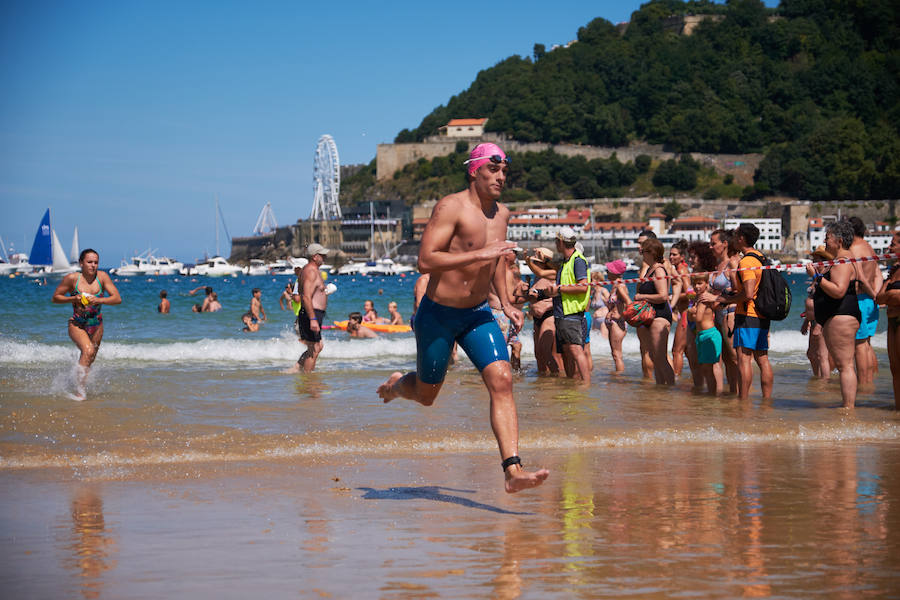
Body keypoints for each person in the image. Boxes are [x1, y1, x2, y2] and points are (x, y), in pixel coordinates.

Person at [377, 142, 549, 493]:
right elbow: (426, 260)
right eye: (493, 170)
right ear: (474, 171)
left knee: (502, 379)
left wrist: (505, 303)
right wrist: (481, 253)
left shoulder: (502, 214)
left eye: (504, 171)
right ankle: (396, 387)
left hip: (477, 314)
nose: (501, 177)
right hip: (438, 314)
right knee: (426, 395)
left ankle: (513, 470)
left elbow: (496, 260)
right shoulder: (450, 207)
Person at [704, 223, 773, 402]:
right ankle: (766, 401)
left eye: (735, 235)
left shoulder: (746, 261)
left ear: (741, 238)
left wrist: (721, 299)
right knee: (762, 359)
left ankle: (743, 401)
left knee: (743, 359)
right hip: (762, 313)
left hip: (748, 313)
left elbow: (748, 293)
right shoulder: (761, 257)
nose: (733, 238)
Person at [51, 249, 122, 400]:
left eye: (96, 262)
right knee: (88, 351)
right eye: (89, 262)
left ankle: (75, 381)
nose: (93, 265)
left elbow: (117, 299)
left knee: (89, 358)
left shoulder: (102, 277)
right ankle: (80, 392)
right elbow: (56, 298)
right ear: (81, 263)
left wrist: (99, 300)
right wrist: (73, 299)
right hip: (77, 324)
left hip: (97, 324)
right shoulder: (72, 279)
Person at [808, 221, 863, 408]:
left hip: (841, 315)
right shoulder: (844, 259)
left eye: (827, 238)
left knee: (845, 366)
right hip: (840, 315)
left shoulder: (842, 260)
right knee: (844, 365)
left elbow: (839, 290)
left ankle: (848, 409)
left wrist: (816, 277)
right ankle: (847, 406)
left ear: (839, 241)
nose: (824, 241)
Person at [546, 227, 591, 383]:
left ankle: (586, 384)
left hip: (571, 312)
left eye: (556, 241)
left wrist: (559, 289)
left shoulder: (577, 260)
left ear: (560, 242)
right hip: (562, 312)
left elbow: (583, 286)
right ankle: (572, 382)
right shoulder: (566, 261)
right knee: (566, 351)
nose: (555, 244)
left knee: (575, 349)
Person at [634, 238, 675, 385]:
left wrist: (642, 296)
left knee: (660, 357)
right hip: (651, 316)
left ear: (651, 253)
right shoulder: (649, 269)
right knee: (655, 357)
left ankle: (670, 389)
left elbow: (663, 296)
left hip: (660, 316)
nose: (641, 254)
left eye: (643, 251)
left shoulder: (658, 270)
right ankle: (661, 391)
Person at [284, 243, 330, 374]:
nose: (325, 257)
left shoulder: (311, 270)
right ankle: (308, 379)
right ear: (315, 256)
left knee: (317, 346)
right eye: (322, 255)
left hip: (314, 313)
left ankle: (297, 369)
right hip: (311, 313)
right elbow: (305, 297)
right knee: (314, 348)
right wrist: (313, 319)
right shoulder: (310, 271)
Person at [848, 217, 881, 386]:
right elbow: (878, 274)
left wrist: (871, 293)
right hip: (870, 301)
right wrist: (876, 294)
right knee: (867, 343)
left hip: (860, 299)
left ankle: (864, 385)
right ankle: (870, 382)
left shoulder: (854, 250)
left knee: (859, 346)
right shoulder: (869, 248)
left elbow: (860, 278)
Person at [707, 229, 740, 394]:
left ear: (725, 244)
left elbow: (738, 290)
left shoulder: (732, 263)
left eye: (713, 243)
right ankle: (733, 394)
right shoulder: (716, 266)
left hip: (729, 313)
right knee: (726, 359)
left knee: (735, 357)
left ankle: (742, 395)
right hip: (717, 315)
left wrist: (716, 297)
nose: (710, 247)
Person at [874, 231, 900, 409]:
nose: (889, 248)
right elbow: (879, 298)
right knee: (895, 370)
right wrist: (892, 295)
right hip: (892, 322)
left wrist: (891, 295)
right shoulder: (894, 270)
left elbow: (889, 296)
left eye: (893, 244)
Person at [526, 247, 562, 375]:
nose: (534, 264)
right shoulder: (537, 277)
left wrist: (547, 307)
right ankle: (543, 380)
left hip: (549, 315)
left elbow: (559, 297)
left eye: (537, 262)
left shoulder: (553, 274)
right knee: (538, 354)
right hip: (537, 318)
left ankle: (557, 375)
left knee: (546, 351)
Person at [688, 273, 722, 394]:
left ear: (707, 284)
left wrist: (690, 311)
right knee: (706, 369)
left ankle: (713, 395)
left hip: (709, 334)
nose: (696, 286)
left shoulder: (703, 299)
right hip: (702, 335)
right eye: (694, 284)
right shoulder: (697, 298)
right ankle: (711, 394)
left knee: (708, 368)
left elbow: (697, 318)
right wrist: (691, 313)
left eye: (699, 283)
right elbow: (692, 319)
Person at [801, 246, 833, 379]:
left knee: (822, 355)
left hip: (822, 321)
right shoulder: (817, 278)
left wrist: (819, 325)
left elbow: (826, 302)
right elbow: (813, 302)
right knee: (811, 354)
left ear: (823, 261)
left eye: (816, 260)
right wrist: (806, 321)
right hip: (813, 320)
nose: (812, 262)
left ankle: (824, 382)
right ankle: (818, 378)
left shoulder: (825, 278)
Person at [669, 240, 692, 378]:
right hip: (682, 313)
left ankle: (676, 379)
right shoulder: (678, 269)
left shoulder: (682, 269)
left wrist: (673, 297)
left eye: (674, 255)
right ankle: (695, 378)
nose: (671, 257)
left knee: (676, 350)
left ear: (682, 257)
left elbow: (690, 293)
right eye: (670, 254)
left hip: (685, 314)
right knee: (687, 350)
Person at [604, 259, 630, 373]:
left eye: (608, 271)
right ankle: (617, 378)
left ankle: (620, 379)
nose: (606, 273)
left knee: (617, 354)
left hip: (617, 323)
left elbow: (629, 303)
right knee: (614, 354)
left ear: (614, 272)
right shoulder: (615, 286)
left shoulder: (620, 286)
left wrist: (620, 315)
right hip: (612, 322)